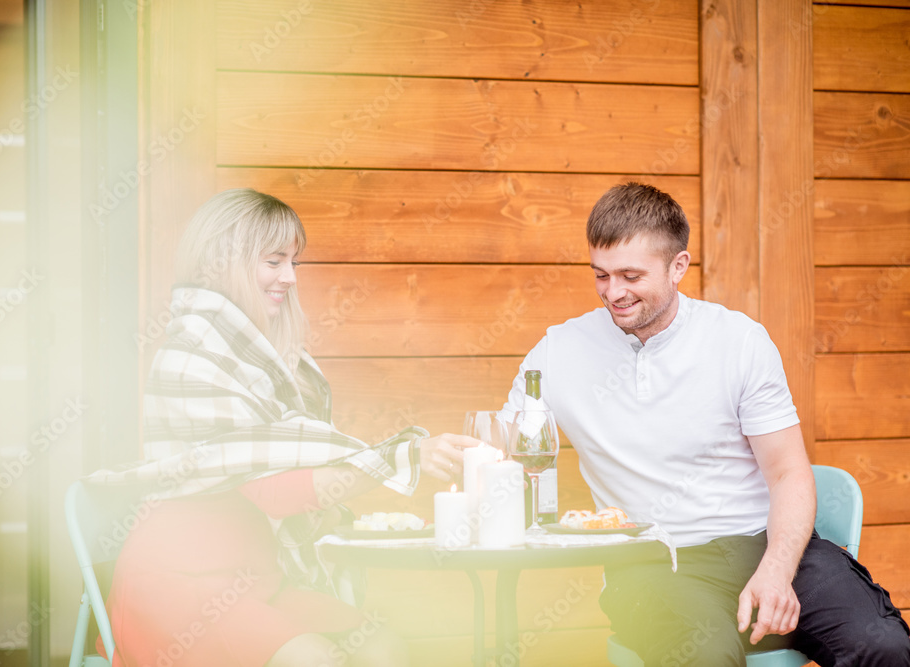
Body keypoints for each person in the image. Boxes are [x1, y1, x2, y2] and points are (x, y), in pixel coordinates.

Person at [502, 182, 910, 666]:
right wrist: (452, 454)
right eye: (601, 275)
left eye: (631, 275)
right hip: (656, 564)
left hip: (769, 546)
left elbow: (788, 473)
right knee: (708, 656)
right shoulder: (558, 352)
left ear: (679, 266)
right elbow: (501, 452)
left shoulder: (738, 341)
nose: (614, 293)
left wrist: (776, 572)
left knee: (882, 646)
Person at [92, 188, 479, 667]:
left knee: (383, 649)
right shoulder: (191, 358)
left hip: (255, 579)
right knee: (319, 660)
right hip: (176, 587)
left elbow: (297, 464)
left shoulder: (269, 362)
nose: (290, 278)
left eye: (294, 262)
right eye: (274, 262)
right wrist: (404, 457)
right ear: (224, 260)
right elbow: (272, 492)